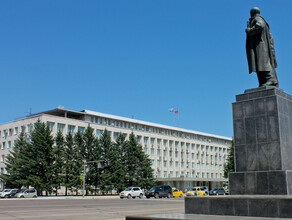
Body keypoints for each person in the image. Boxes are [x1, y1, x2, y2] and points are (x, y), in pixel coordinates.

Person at [246, 7, 279, 87]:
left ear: (253, 12)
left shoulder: (258, 19)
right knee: (259, 64)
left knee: (264, 62)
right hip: (258, 45)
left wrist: (249, 30)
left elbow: (260, 26)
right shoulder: (256, 19)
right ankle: (264, 80)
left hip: (260, 45)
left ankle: (271, 79)